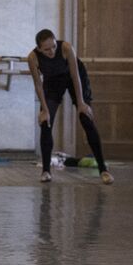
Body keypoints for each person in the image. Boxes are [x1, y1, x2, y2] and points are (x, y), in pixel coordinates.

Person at [27, 30, 112, 185]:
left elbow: (75, 76)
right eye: (47, 49)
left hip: (75, 77)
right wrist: (45, 110)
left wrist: (80, 103)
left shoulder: (66, 48)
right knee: (46, 122)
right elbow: (38, 85)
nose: (52, 51)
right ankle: (46, 170)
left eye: (53, 47)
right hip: (53, 81)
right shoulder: (32, 58)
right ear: (39, 49)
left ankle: (103, 169)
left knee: (86, 118)